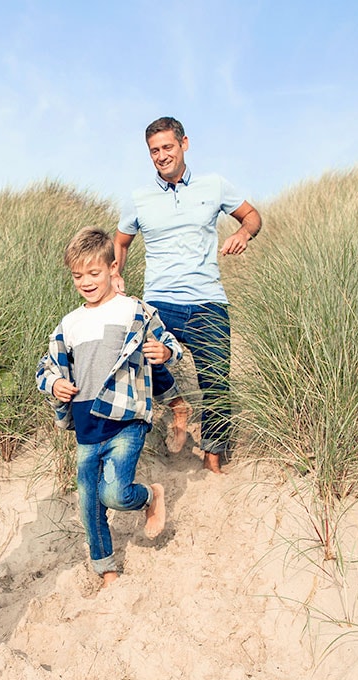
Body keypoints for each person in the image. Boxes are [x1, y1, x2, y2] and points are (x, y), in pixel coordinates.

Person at [114, 116, 262, 474]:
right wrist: (116, 274)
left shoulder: (214, 186)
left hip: (208, 300)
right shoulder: (138, 198)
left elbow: (252, 216)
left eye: (167, 147)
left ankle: (213, 456)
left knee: (215, 379)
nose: (161, 156)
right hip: (159, 301)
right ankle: (177, 404)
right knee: (138, 362)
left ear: (184, 144)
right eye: (154, 151)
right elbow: (120, 241)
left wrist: (244, 234)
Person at [36, 227, 182, 588]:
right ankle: (107, 570)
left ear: (113, 268)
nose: (86, 281)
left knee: (114, 493)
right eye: (77, 275)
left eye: (94, 273)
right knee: (89, 504)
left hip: (127, 419)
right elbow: (46, 367)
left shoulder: (133, 310)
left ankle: (149, 495)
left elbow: (170, 344)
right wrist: (54, 383)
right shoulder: (69, 324)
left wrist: (164, 353)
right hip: (87, 426)